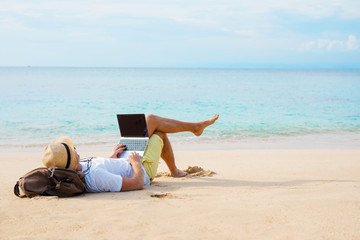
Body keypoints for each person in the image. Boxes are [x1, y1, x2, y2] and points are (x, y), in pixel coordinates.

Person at [41, 114, 219, 192]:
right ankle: (195, 128)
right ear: (72, 158)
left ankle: (175, 168)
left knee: (150, 123)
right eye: (73, 150)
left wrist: (112, 157)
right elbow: (137, 184)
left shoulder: (82, 167)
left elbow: (101, 166)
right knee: (157, 130)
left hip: (125, 160)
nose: (76, 149)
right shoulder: (96, 177)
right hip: (142, 170)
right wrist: (135, 164)